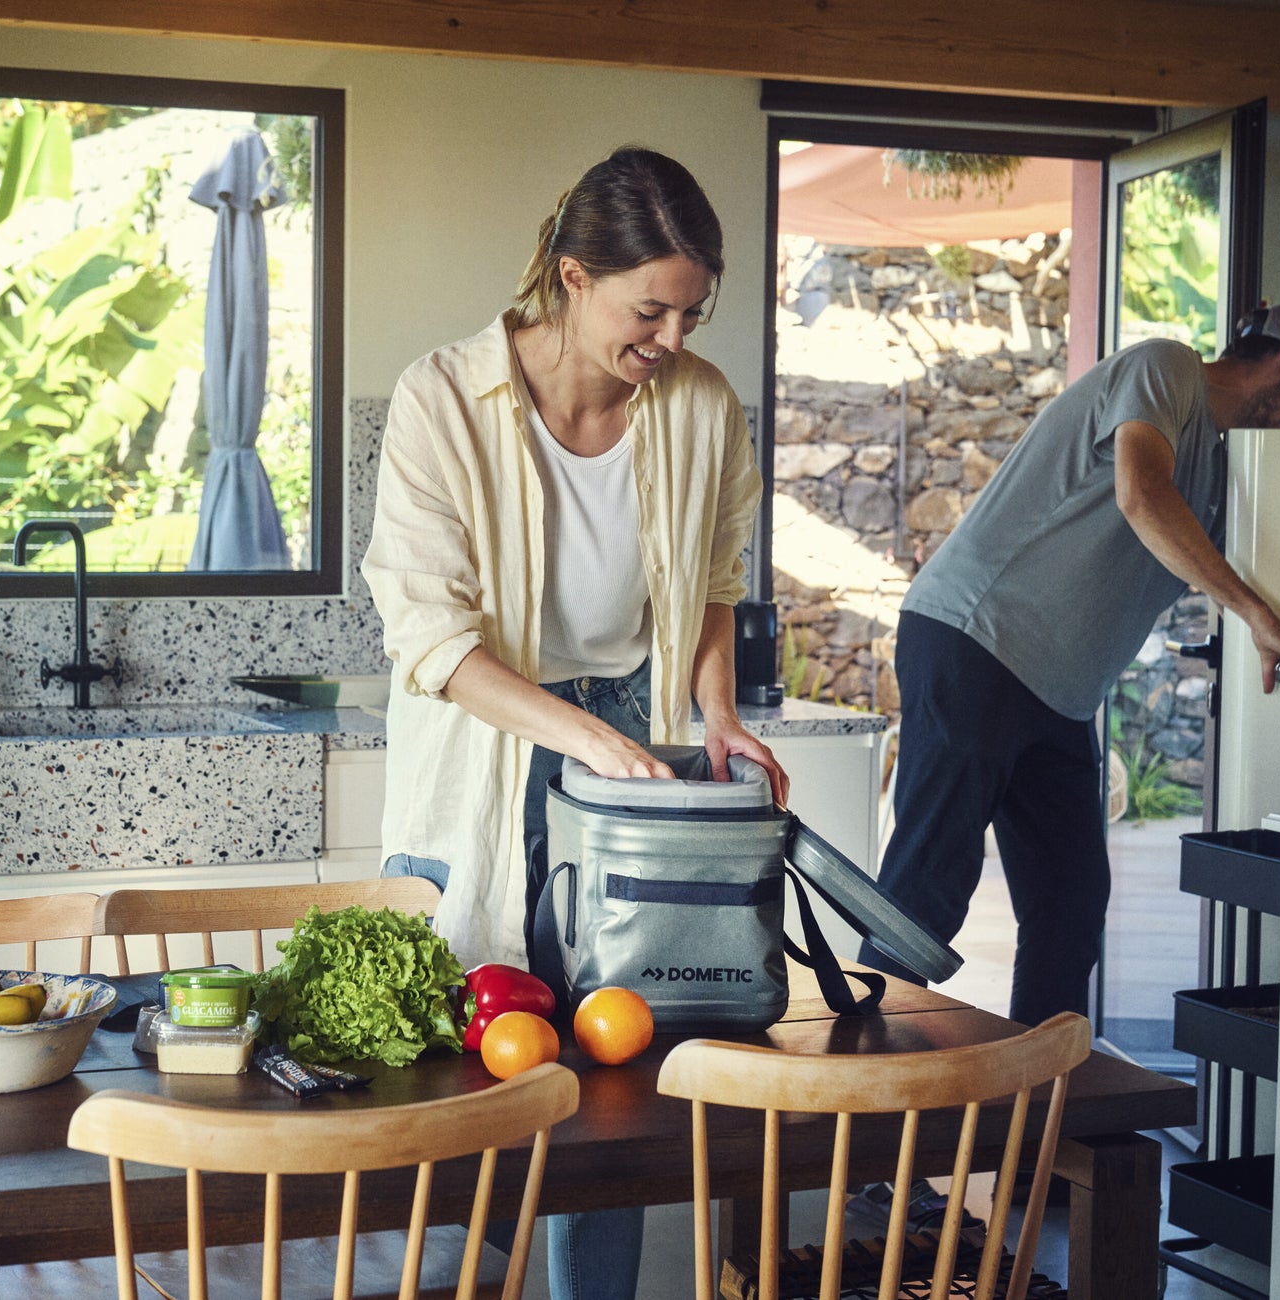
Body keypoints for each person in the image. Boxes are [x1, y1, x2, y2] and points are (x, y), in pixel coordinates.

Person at [360, 145, 787, 1300]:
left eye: (692, 314)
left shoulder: (700, 406)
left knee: (617, 1053)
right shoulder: (443, 399)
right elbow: (432, 640)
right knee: (470, 1057)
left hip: (631, 743)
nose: (672, 340)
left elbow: (714, 577)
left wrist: (717, 712)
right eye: (650, 311)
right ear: (572, 276)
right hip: (491, 742)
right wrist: (586, 740)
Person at [864, 302, 1280, 1029]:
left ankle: (1042, 1085)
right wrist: (1255, 615)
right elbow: (1140, 492)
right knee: (928, 886)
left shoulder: (1221, 465)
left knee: (1070, 901)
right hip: (978, 641)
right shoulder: (1166, 368)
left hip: (1058, 695)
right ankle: (857, 1079)